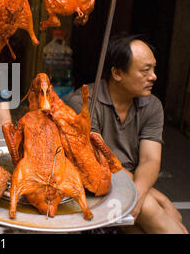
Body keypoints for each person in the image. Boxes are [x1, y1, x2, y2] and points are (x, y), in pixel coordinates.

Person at [66, 34, 188, 234]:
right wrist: (156, 197)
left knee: (144, 220)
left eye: (154, 69)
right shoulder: (85, 103)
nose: (154, 76)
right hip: (91, 186)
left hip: (131, 185)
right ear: (117, 73)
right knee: (152, 211)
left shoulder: (152, 105)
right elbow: (98, 164)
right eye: (145, 70)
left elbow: (150, 160)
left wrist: (137, 196)